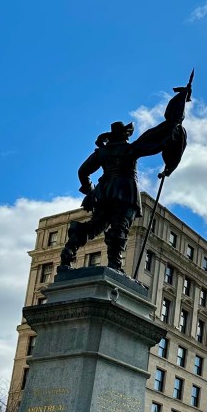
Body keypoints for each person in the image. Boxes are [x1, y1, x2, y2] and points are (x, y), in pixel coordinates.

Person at [60, 75, 192, 273]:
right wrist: (180, 102)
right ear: (125, 135)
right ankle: (114, 263)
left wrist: (90, 190)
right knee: (120, 226)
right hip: (125, 191)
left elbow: (82, 171)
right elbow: (162, 133)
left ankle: (68, 252)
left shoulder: (101, 153)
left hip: (103, 192)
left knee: (95, 225)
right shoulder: (131, 149)